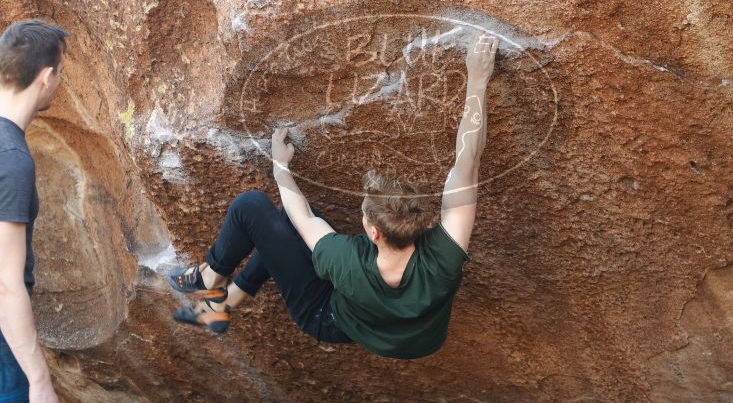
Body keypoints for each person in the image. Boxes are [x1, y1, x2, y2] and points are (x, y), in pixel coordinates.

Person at [168, 32, 499, 359]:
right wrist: (478, 80)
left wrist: (280, 166)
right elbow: (468, 161)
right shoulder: (443, 257)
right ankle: (223, 304)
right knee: (287, 225)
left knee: (250, 206)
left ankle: (211, 275)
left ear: (373, 232)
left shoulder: (346, 260)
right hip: (412, 338)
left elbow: (304, 217)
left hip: (326, 317)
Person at [0, 19, 68, 403]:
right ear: (45, 76)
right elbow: (5, 286)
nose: (59, 83)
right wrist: (40, 381)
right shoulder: (12, 161)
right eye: (61, 73)